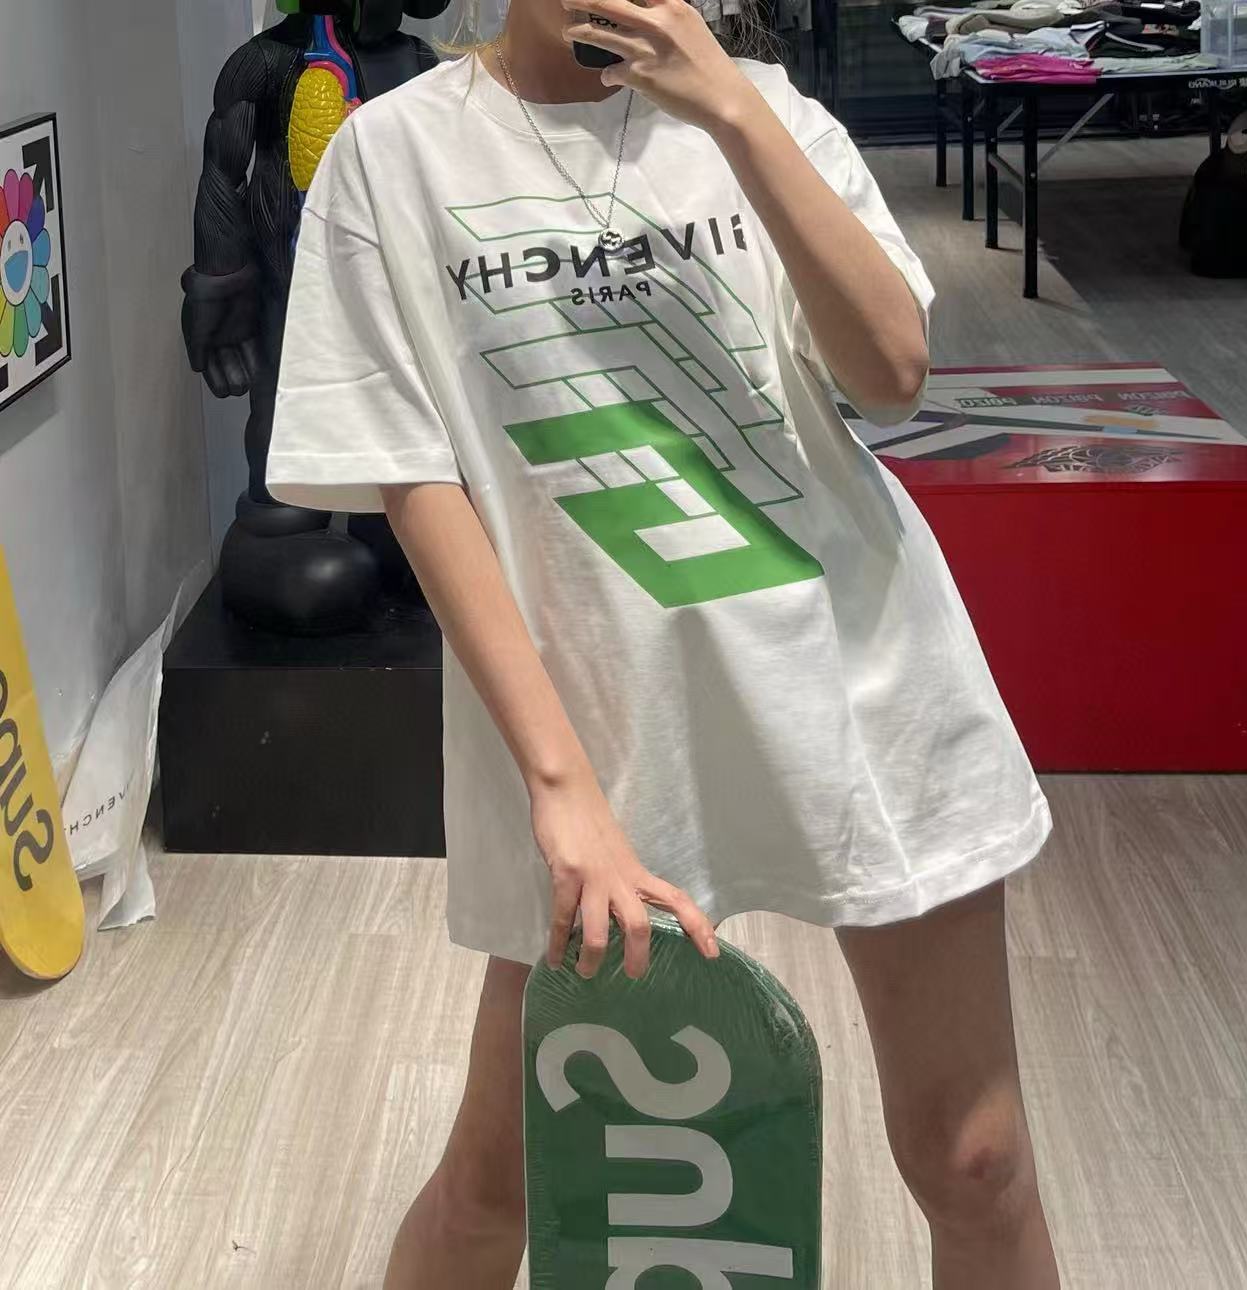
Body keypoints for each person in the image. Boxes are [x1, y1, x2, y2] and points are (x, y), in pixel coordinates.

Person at [264, 0, 1060, 1284]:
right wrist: (557, 783)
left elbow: (888, 373)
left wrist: (733, 111)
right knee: (497, 1180)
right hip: (600, 728)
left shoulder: (769, 115)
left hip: (862, 686)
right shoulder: (393, 155)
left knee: (976, 1159)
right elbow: (414, 479)